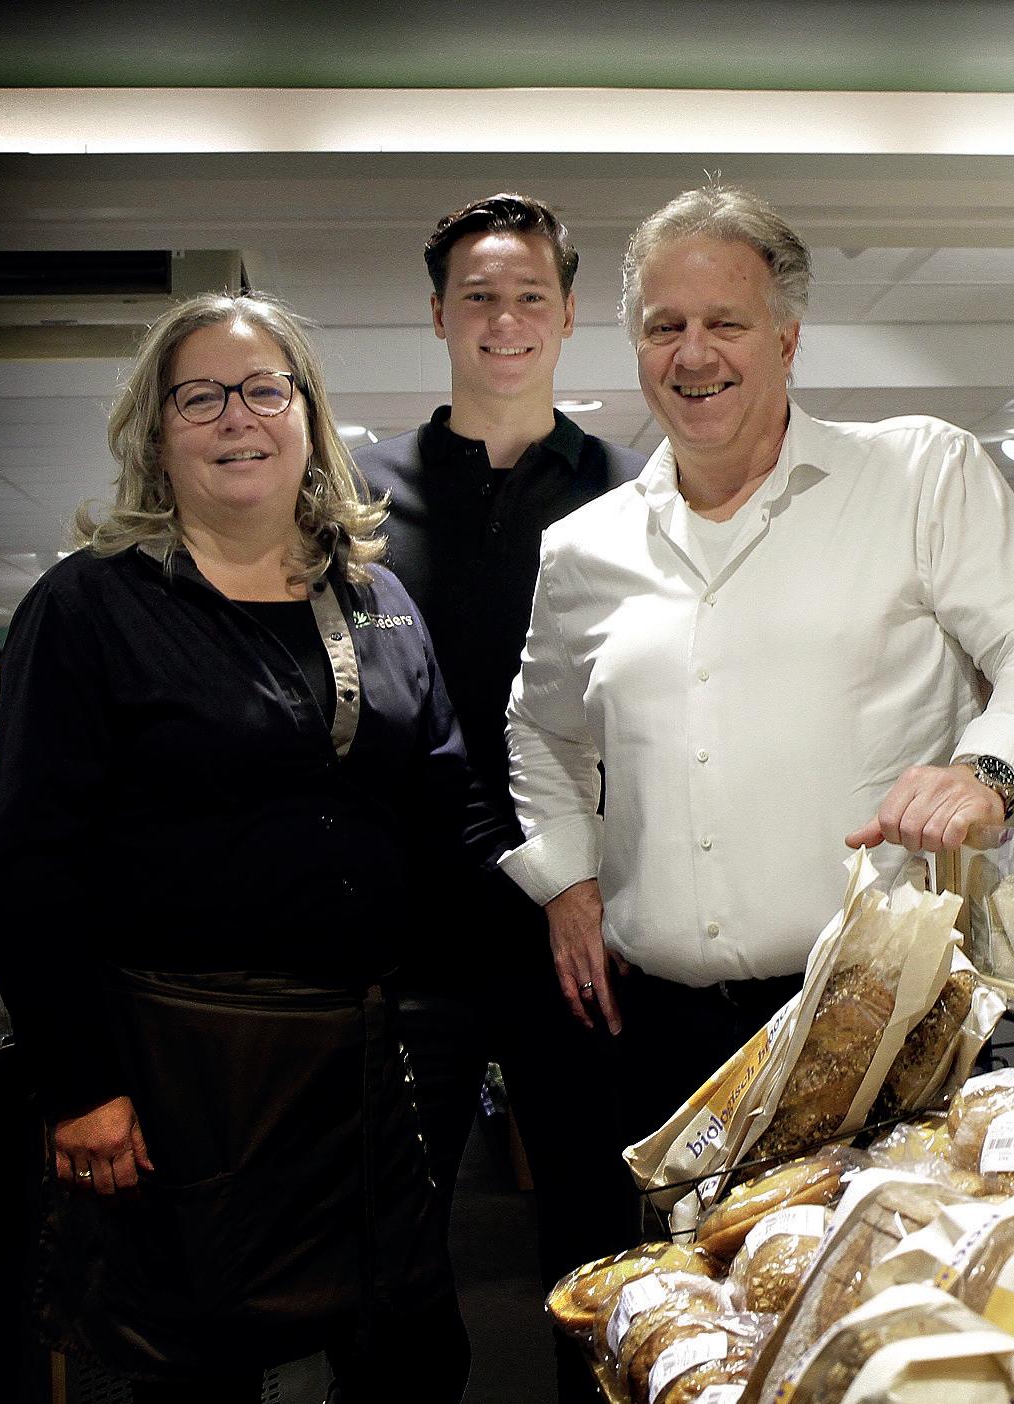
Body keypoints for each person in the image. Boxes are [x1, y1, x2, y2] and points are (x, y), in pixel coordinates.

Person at [501, 184, 1014, 1144]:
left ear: (786, 340)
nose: (693, 354)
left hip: (883, 1015)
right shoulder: (583, 550)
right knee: (683, 1247)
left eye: (726, 323)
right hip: (664, 1034)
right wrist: (567, 878)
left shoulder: (917, 474)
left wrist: (988, 769)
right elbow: (539, 726)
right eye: (665, 327)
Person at [0, 291, 504, 1401]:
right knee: (200, 1374)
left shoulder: (377, 599)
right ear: (156, 431)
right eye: (201, 397)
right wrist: (80, 1086)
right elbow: (33, 866)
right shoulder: (88, 607)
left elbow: (448, 805)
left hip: (368, 1061)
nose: (238, 418)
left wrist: (561, 908)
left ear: (307, 417)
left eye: (266, 390)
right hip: (187, 1070)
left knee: (415, 1359)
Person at [349, 192, 640, 1402]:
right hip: (410, 932)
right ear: (438, 315)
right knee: (391, 1251)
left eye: (530, 296)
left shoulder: (634, 490)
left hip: (585, 923)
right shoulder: (356, 501)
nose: (504, 319)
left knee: (599, 1238)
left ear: (569, 315)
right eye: (478, 296)